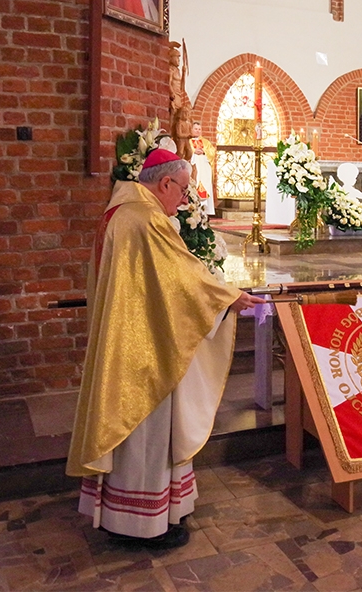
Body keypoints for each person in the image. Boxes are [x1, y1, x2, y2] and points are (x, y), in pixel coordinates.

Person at [67, 148, 265, 549]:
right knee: (147, 433)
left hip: (126, 339)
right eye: (183, 191)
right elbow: (182, 280)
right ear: (166, 183)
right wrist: (228, 297)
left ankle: (124, 513)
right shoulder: (147, 220)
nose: (183, 200)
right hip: (147, 349)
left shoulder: (118, 213)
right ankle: (140, 524)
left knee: (132, 432)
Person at [190, 121, 216, 214]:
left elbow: (212, 153)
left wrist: (204, 151)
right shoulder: (188, 141)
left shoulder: (206, 142)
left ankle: (205, 210)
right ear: (191, 129)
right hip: (194, 168)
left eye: (199, 129)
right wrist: (193, 151)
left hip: (204, 169)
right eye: (196, 129)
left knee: (204, 186)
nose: (198, 131)